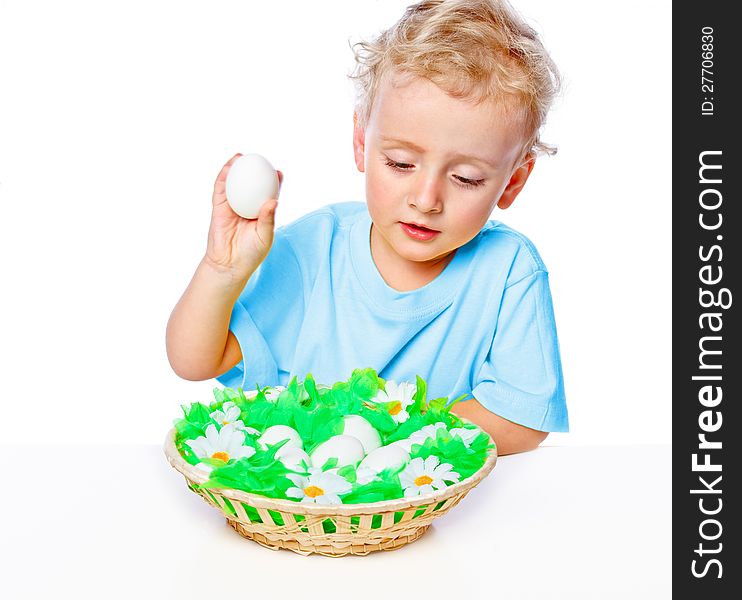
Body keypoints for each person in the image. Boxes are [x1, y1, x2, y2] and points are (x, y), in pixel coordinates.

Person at [166, 0, 568, 455]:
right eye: (400, 163)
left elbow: (523, 419)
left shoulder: (508, 271)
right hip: (301, 508)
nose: (426, 199)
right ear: (361, 143)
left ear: (512, 181)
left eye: (466, 178)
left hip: (427, 513)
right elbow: (195, 361)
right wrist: (223, 269)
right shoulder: (315, 249)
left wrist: (385, 440)